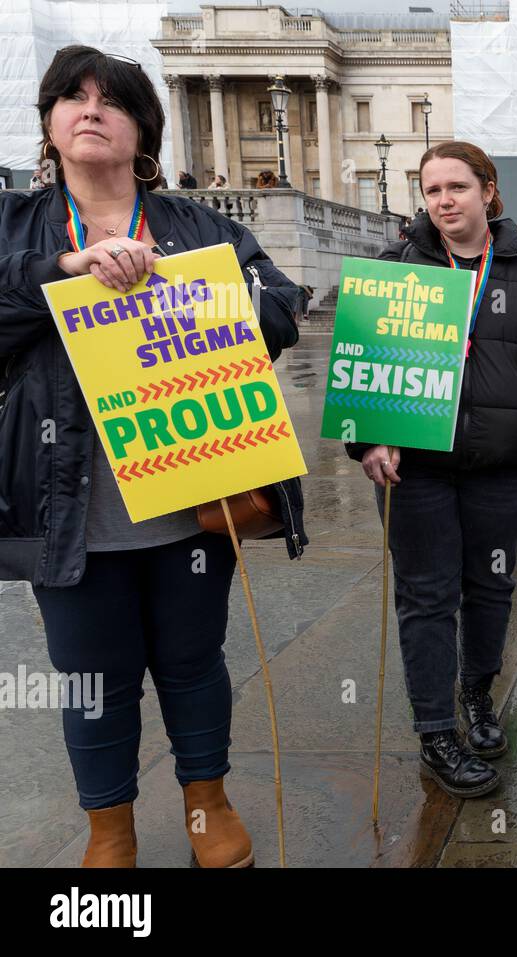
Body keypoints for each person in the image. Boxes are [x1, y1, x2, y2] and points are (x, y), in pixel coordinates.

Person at [0, 46, 308, 867]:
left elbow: (283, 304)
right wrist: (67, 270)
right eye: (71, 97)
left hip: (192, 501)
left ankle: (207, 802)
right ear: (50, 126)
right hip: (69, 508)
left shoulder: (196, 225)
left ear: (143, 129)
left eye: (111, 100)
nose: (89, 108)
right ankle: (111, 827)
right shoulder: (17, 225)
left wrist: (190, 291)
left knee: (192, 661)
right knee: (91, 678)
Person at [348, 140, 517, 796]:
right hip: (415, 468)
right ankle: (435, 731)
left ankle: (477, 696)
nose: (445, 200)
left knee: (490, 587)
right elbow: (361, 355)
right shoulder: (397, 263)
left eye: (458, 186)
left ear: (488, 190)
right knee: (425, 596)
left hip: (501, 462)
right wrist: (370, 437)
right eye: (433, 191)